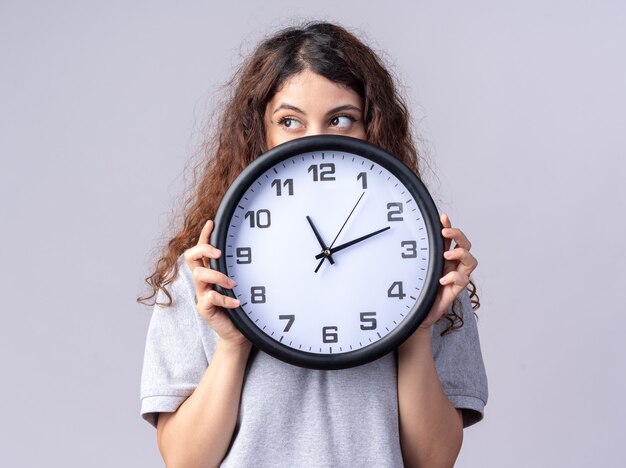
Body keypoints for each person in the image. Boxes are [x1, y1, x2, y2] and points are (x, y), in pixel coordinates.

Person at [138, 21, 488, 468]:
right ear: (258, 133)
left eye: (341, 119)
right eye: (289, 121)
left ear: (373, 129)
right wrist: (232, 343)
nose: (316, 140)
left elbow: (433, 461)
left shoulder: (431, 271)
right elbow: (186, 461)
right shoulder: (205, 271)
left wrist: (416, 332)